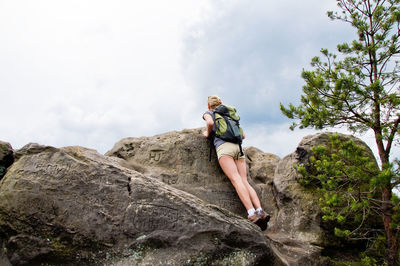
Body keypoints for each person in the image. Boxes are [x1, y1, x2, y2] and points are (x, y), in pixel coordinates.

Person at [202, 95, 269, 225]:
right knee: (244, 181)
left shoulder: (209, 112)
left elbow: (209, 123)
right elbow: (242, 135)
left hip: (224, 148)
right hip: (238, 149)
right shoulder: (230, 115)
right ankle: (260, 211)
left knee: (236, 180)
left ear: (209, 105)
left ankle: (251, 213)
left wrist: (208, 133)